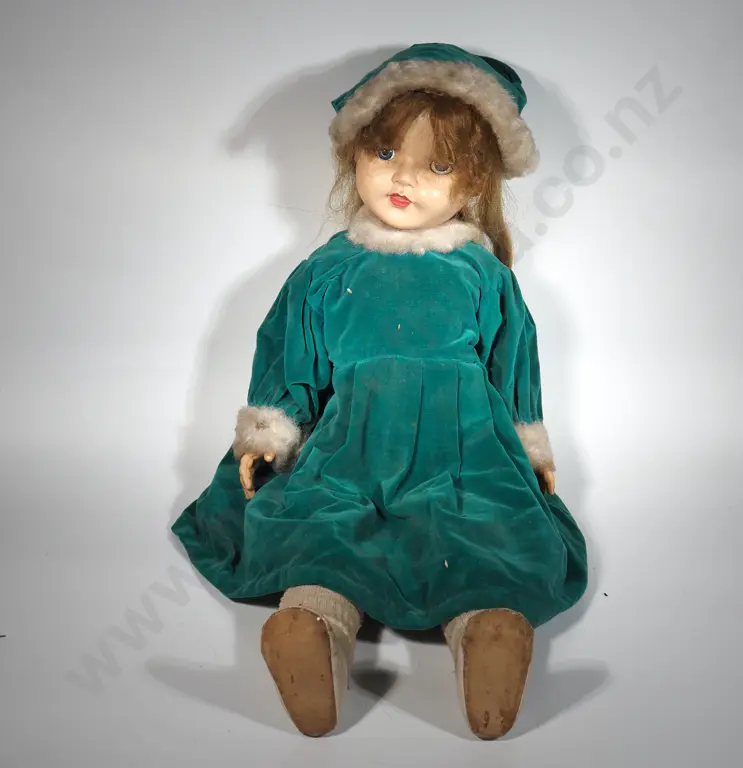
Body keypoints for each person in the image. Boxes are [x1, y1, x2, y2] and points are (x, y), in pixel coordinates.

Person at [171, 42, 588, 740]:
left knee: (481, 532)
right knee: (322, 527)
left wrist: (530, 447)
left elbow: (513, 362)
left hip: (466, 455)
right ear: (355, 155)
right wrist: (269, 434)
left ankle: (486, 631)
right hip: (348, 450)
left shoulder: (482, 275)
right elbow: (292, 358)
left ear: (475, 183)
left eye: (438, 165)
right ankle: (312, 626)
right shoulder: (326, 271)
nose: (404, 177)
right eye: (386, 153)